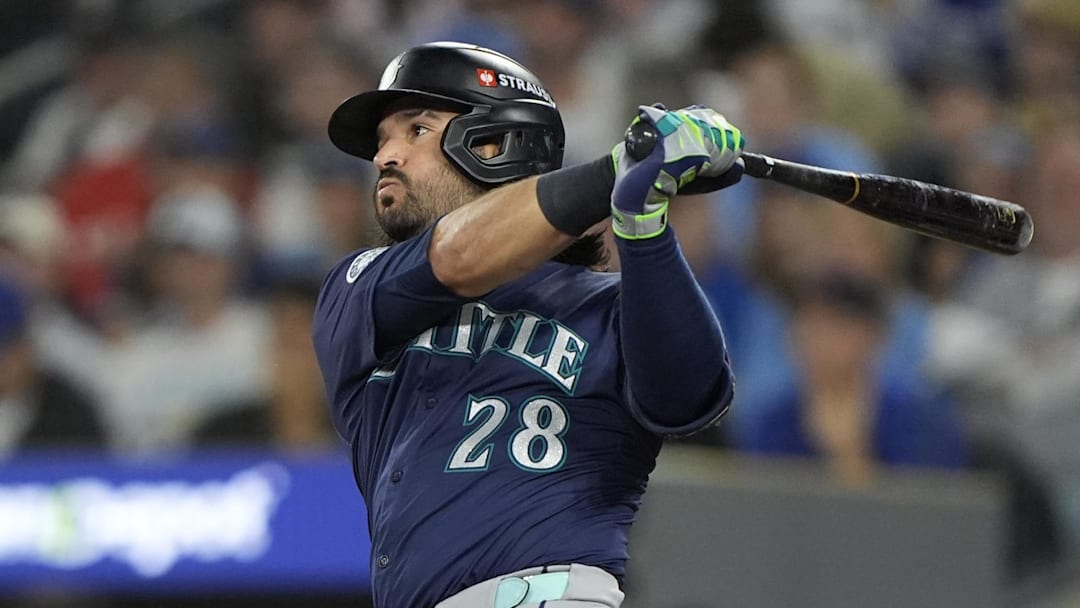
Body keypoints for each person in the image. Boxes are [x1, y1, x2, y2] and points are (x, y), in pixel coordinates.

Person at [312, 42, 744, 608]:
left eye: (416, 130)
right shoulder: (359, 289)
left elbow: (688, 398)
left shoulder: (609, 304)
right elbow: (458, 255)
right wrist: (618, 171)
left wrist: (642, 222)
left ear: (494, 144)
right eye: (381, 140)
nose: (383, 157)